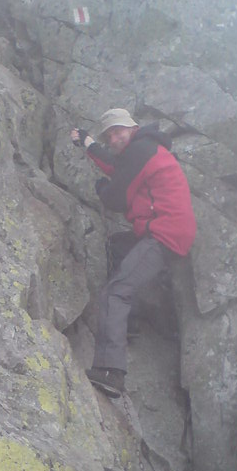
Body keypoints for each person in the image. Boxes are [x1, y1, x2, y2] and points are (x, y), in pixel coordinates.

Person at [71, 108, 197, 397]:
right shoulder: (143, 149)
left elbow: (116, 196)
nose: (114, 138)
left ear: (133, 128)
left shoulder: (142, 150)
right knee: (117, 244)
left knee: (115, 292)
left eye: (119, 131)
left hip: (164, 234)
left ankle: (110, 372)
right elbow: (116, 166)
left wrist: (103, 189)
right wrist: (88, 143)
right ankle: (128, 323)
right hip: (166, 230)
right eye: (110, 135)